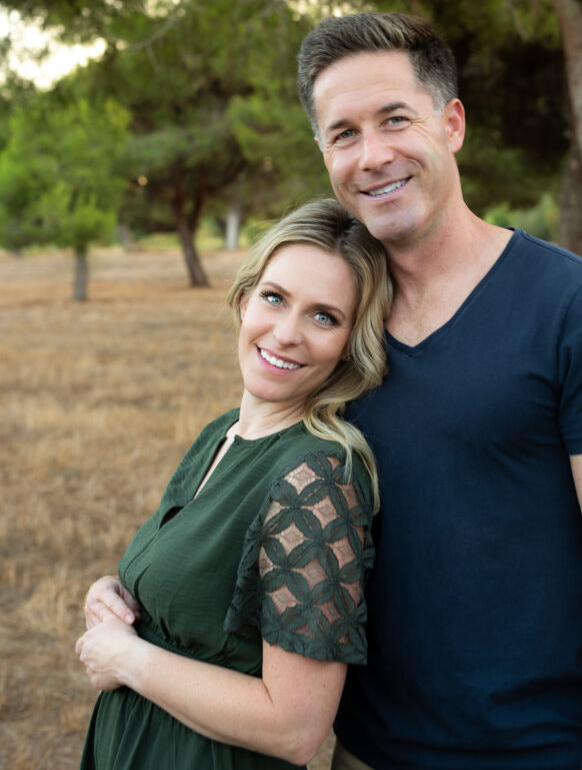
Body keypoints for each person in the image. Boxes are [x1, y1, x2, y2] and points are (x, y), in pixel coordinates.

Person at [295, 12, 582, 770]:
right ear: (324, 153)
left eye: (395, 120)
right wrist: (140, 590)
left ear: (452, 124)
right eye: (344, 134)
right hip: (364, 755)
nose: (372, 156)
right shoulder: (337, 325)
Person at [75, 198, 393, 770]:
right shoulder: (223, 433)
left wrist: (128, 661)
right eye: (275, 298)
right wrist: (122, 600)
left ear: (351, 343)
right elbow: (202, 590)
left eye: (325, 317)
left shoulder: (316, 479)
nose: (287, 333)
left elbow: (295, 726)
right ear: (245, 299)